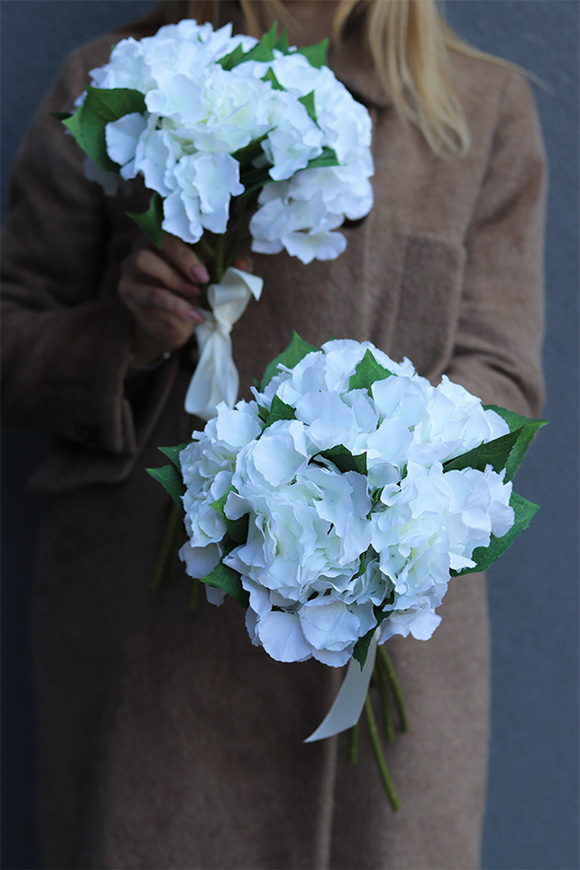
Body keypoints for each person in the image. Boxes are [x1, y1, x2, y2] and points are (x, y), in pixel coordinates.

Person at [1, 1, 546, 867]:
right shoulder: (120, 80)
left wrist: (378, 472)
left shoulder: (478, 106)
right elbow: (12, 337)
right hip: (151, 648)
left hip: (379, 653)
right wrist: (129, 334)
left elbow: (501, 371)